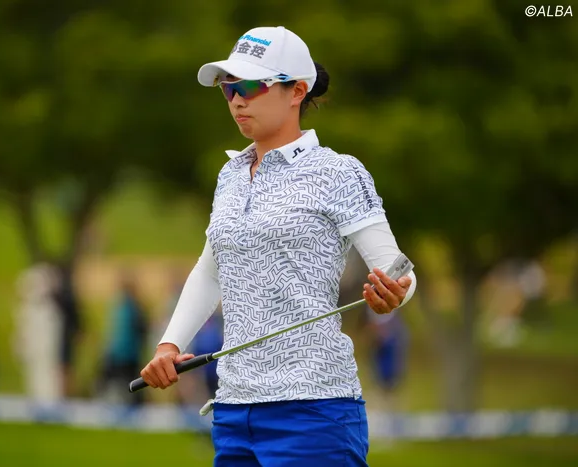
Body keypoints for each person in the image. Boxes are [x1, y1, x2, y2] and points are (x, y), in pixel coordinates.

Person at [139, 26, 418, 466]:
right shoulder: (230, 175)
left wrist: (395, 295)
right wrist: (169, 346)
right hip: (234, 411)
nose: (236, 100)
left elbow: (399, 271)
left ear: (297, 91)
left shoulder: (338, 172)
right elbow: (211, 271)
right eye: (228, 88)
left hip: (314, 411)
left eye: (250, 86)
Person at [13, 261, 63, 412]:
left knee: (47, 374)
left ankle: (49, 404)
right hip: (34, 351)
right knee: (34, 375)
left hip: (45, 351)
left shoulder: (49, 310)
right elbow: (24, 331)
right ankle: (38, 403)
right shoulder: (28, 309)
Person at [97, 271, 149, 406]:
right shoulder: (135, 307)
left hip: (116, 356)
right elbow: (143, 332)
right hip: (129, 357)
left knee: (112, 387)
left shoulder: (118, 306)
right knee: (132, 388)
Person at [52, 261, 83, 397]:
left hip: (64, 336)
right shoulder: (67, 293)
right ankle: (65, 393)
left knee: (64, 367)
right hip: (65, 335)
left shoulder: (64, 294)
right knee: (65, 367)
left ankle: (65, 394)